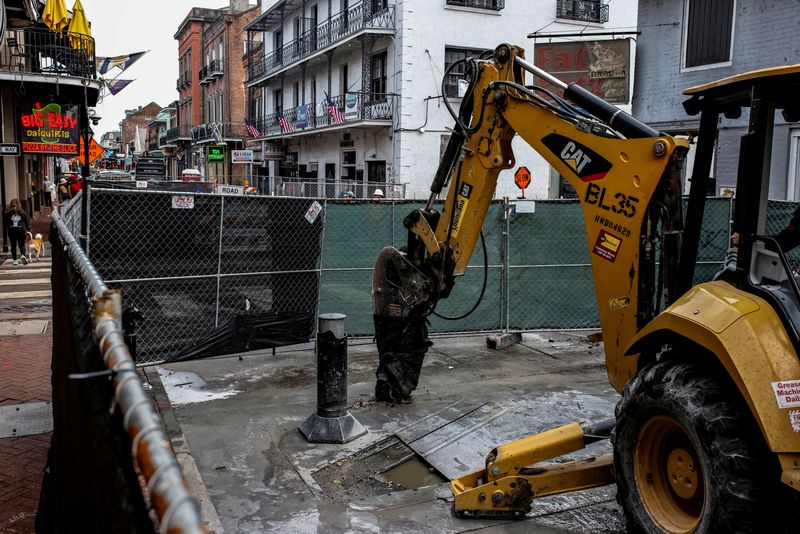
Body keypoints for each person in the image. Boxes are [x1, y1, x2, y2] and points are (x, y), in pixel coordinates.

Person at [3, 199, 29, 266]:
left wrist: (7, 228)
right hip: (21, 230)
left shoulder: (7, 213)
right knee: (22, 245)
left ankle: (15, 260)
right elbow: (26, 222)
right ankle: (23, 255)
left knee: (13, 245)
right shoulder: (22, 212)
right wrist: (28, 229)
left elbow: (5, 223)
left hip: (11, 230)